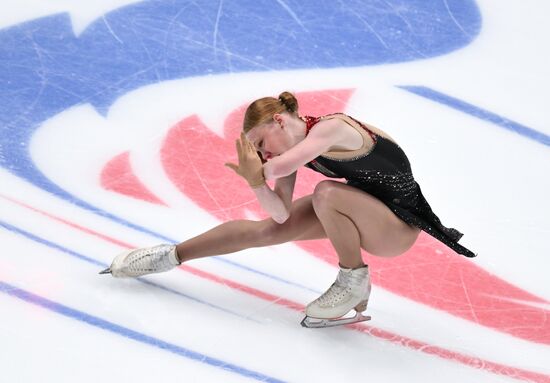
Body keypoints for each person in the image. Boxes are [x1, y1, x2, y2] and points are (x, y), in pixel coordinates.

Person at [100, 91, 475, 328]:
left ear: (279, 119)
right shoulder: (292, 153)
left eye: (261, 143)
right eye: (258, 151)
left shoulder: (332, 129)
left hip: (396, 227)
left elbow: (276, 168)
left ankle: (353, 279)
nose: (264, 154)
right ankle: (168, 256)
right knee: (267, 229)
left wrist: (257, 173)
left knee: (328, 192)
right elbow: (279, 213)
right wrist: (258, 180)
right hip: (363, 208)